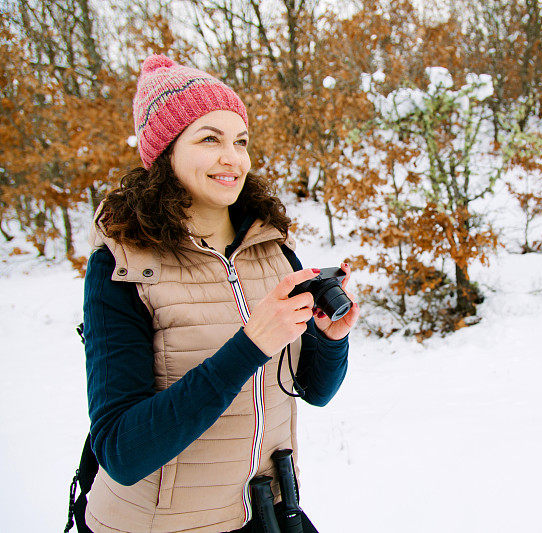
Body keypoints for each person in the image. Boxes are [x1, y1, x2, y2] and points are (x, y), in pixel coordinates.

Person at [80, 54, 359, 533]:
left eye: (240, 141)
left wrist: (329, 341)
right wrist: (250, 346)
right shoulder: (122, 266)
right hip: (157, 524)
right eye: (209, 139)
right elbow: (122, 453)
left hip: (265, 511)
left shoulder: (272, 250)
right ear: (165, 152)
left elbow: (312, 391)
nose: (233, 157)